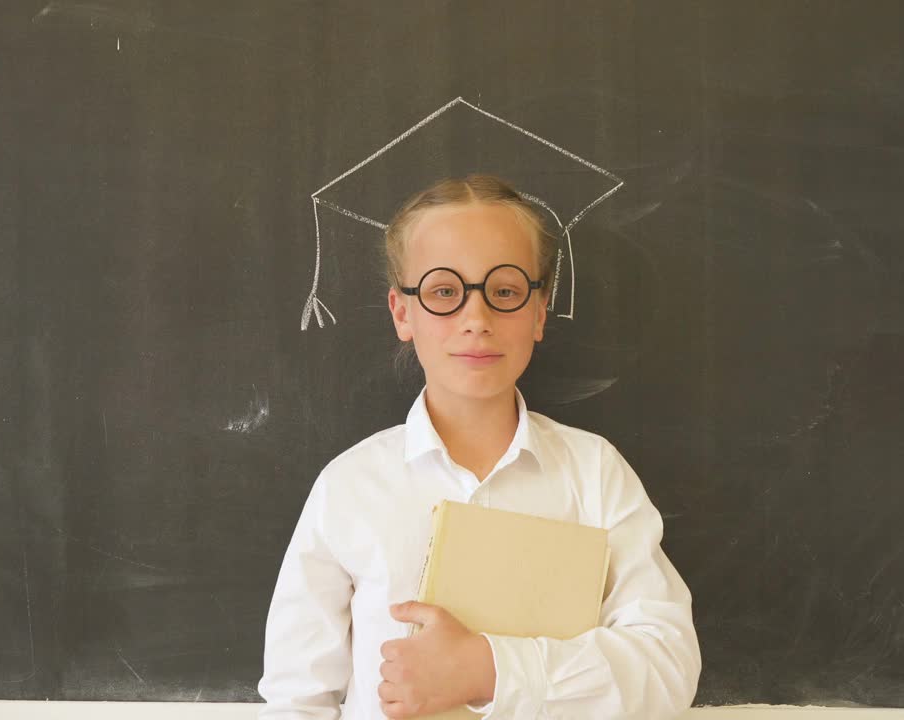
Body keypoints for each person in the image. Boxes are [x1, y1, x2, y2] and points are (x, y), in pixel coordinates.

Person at [258, 175, 700, 719]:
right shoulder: (351, 485)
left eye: (506, 291)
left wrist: (487, 670)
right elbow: (297, 698)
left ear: (539, 312)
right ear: (402, 312)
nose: (477, 320)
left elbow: (666, 666)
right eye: (444, 291)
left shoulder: (594, 473)